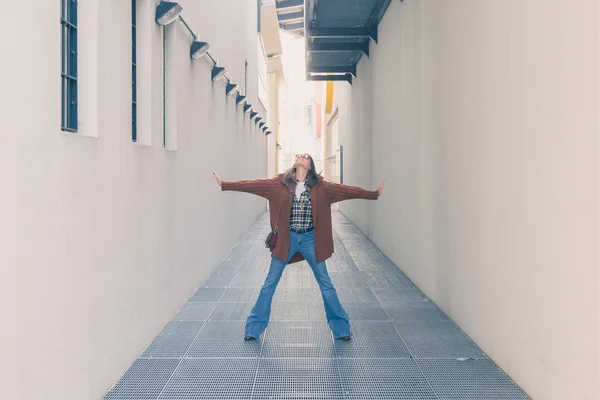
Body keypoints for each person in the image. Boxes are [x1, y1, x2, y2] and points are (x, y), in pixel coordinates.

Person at [213, 153, 384, 341]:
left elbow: (348, 191)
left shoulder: (322, 187)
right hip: (288, 239)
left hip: (310, 239)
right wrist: (225, 184)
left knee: (325, 283)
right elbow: (252, 185)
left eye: (304, 156)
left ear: (310, 164)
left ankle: (341, 329)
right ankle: (253, 329)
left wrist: (373, 194)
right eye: (298, 155)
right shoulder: (279, 184)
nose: (300, 156)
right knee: (270, 283)